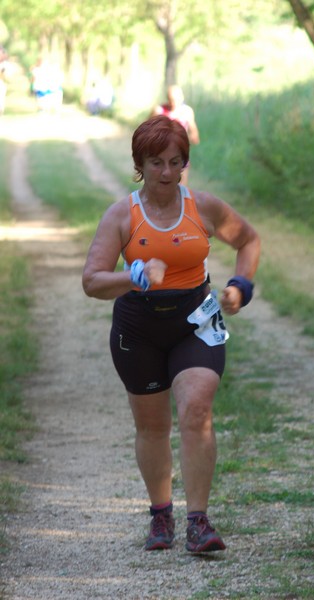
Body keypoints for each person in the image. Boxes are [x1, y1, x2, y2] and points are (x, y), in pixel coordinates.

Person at [82, 115, 260, 553]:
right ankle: (161, 515)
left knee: (197, 409)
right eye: (155, 162)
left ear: (185, 163)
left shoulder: (203, 207)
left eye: (175, 162)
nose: (166, 172)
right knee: (153, 425)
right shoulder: (123, 215)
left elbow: (249, 241)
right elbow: (92, 281)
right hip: (138, 327)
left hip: (194, 320)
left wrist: (241, 285)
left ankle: (198, 522)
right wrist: (135, 274)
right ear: (139, 163)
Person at [151, 85, 200, 185]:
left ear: (182, 97)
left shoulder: (187, 112)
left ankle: (181, 199)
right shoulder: (159, 110)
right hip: (160, 153)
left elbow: (194, 134)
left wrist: (188, 138)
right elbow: (145, 128)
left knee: (182, 186)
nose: (174, 102)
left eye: (177, 99)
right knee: (160, 185)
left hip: (180, 153)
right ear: (167, 98)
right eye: (171, 99)